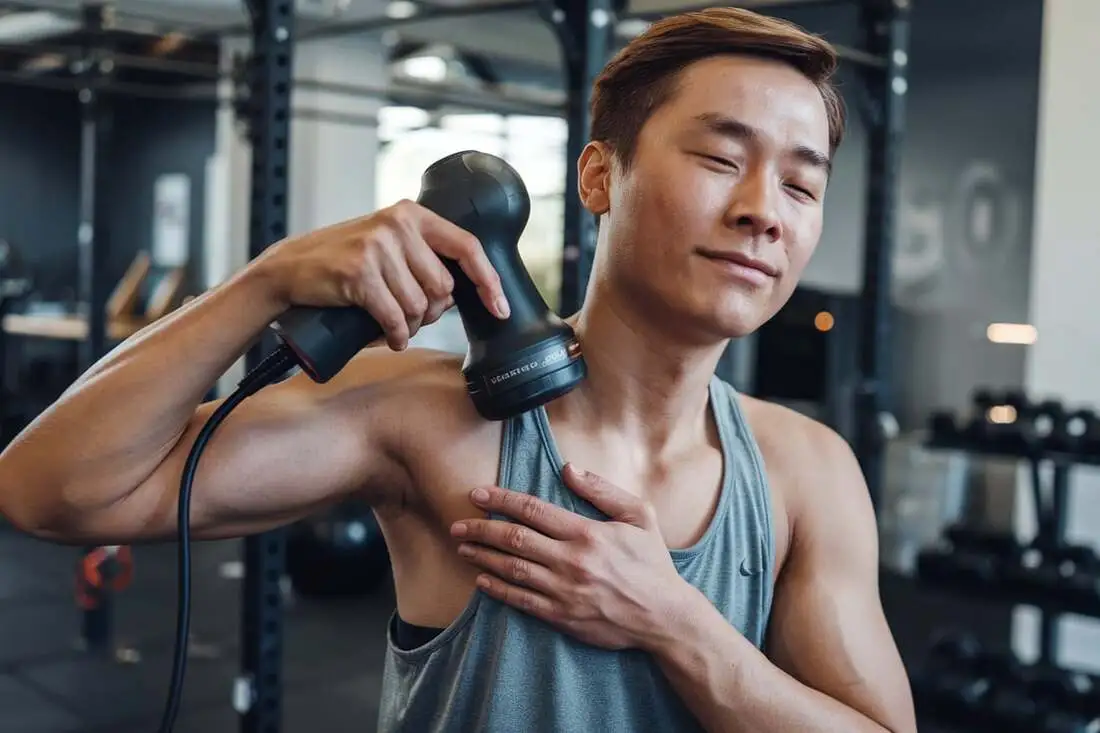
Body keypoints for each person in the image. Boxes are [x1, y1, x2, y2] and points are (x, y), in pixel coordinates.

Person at [0, 7, 917, 733]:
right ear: (599, 179)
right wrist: (265, 281)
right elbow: (51, 492)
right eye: (722, 158)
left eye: (802, 184)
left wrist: (674, 621)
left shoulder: (808, 471)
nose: (765, 211)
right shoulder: (427, 420)